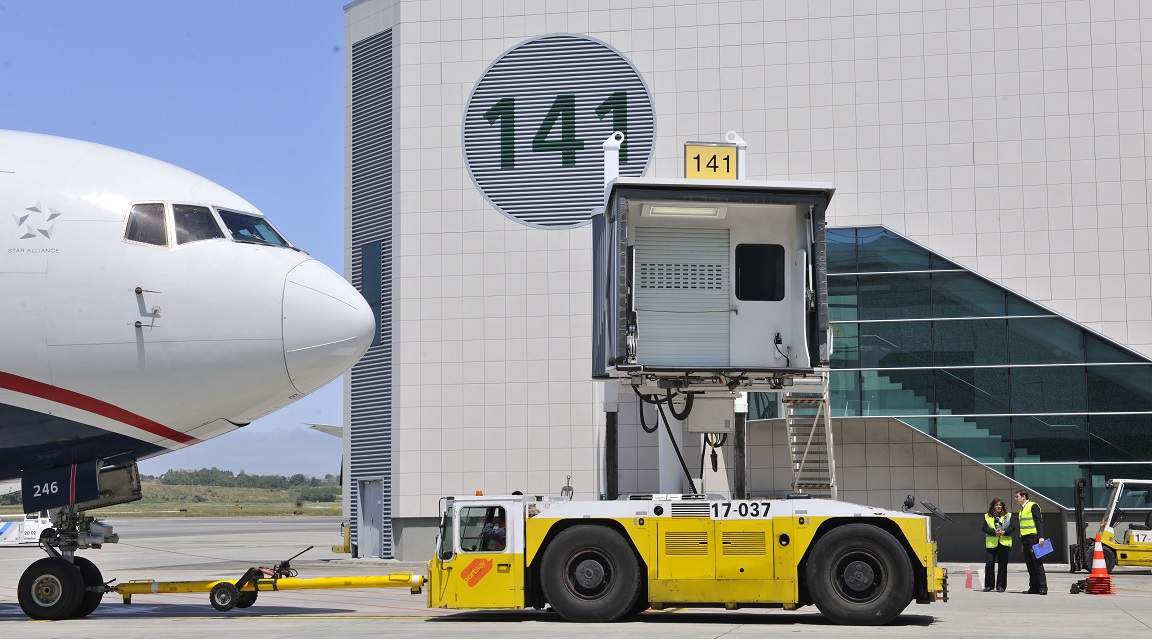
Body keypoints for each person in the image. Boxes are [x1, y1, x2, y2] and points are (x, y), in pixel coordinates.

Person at [1014, 489, 1047, 595]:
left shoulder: (1033, 506)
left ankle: (1042, 587)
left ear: (1024, 497)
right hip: (1026, 540)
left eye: (1017, 497)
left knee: (1037, 564)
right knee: (1030, 565)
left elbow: (1039, 522)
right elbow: (1023, 528)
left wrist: (1041, 537)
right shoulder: (1022, 509)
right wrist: (1022, 543)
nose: (1016, 499)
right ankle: (1033, 587)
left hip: (1034, 539)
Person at [981, 498, 1014, 592]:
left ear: (1002, 506)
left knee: (1002, 565)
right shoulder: (987, 516)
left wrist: (1004, 532)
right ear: (993, 506)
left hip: (1004, 542)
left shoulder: (1008, 515)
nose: (998, 506)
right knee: (989, 563)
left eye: (1000, 505)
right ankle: (989, 585)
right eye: (996, 505)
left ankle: (1001, 586)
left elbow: (1012, 527)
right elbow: (984, 528)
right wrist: (994, 532)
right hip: (991, 543)